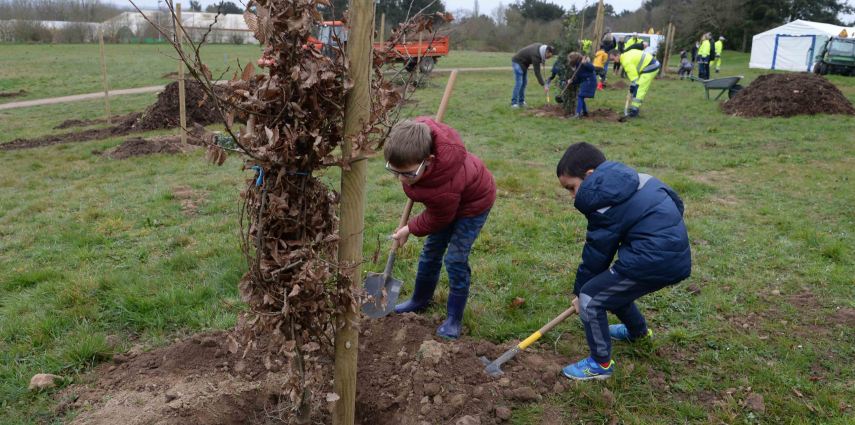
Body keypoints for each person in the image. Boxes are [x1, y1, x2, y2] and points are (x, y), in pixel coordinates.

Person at [554, 142, 691, 380]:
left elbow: (597, 254)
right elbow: (677, 203)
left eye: (572, 188)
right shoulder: (641, 179)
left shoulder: (603, 204)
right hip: (675, 255)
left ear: (590, 175)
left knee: (591, 298)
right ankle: (638, 333)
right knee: (612, 288)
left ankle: (600, 364)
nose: (572, 196)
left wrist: (580, 293)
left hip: (650, 261)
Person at [385, 118, 496, 339]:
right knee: (431, 251)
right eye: (394, 172)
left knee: (455, 259)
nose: (401, 179)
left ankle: (454, 318)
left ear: (428, 161)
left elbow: (438, 218)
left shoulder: (443, 189)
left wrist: (409, 228)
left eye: (407, 174)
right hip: (447, 202)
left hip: (473, 206)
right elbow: (424, 122)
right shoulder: (420, 136)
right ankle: (420, 299)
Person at [608, 48, 660, 118]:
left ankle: (634, 110)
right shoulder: (625, 55)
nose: (613, 61)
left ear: (617, 55)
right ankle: (634, 108)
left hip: (651, 67)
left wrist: (633, 86)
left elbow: (635, 79)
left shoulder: (626, 61)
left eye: (613, 59)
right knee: (637, 86)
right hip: (650, 65)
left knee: (639, 88)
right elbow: (635, 75)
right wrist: (633, 85)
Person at [511, 43, 555, 108]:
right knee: (519, 83)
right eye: (548, 57)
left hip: (524, 64)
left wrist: (542, 60)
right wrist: (544, 84)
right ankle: (514, 103)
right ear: (547, 52)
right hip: (517, 62)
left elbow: (540, 57)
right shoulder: (536, 55)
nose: (548, 58)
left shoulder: (541, 48)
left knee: (524, 83)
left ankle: (521, 102)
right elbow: (537, 72)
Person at [567, 52, 597, 118]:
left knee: (580, 96)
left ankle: (578, 114)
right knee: (581, 96)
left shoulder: (583, 62)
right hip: (585, 81)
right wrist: (572, 81)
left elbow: (592, 68)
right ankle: (585, 112)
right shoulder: (577, 66)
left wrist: (585, 63)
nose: (569, 61)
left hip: (589, 81)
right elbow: (579, 79)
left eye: (570, 59)